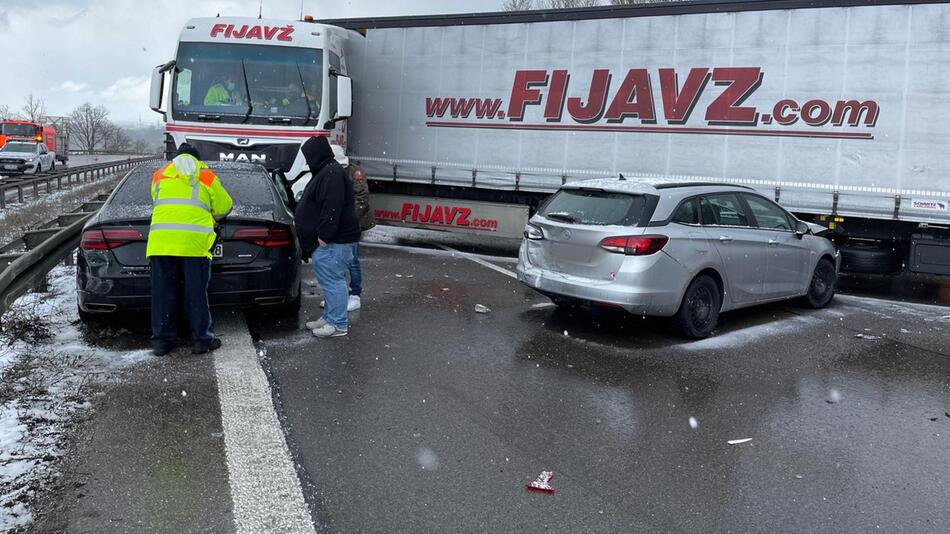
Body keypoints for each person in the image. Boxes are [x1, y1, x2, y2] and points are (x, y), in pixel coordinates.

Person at [147, 144, 233, 356]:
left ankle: (161, 342)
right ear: (197, 159)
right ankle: (201, 340)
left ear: (175, 159)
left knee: (162, 294)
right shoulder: (206, 176)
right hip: (194, 244)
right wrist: (212, 216)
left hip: (161, 242)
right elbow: (224, 207)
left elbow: (157, 201)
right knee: (196, 293)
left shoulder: (159, 175)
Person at [295, 137, 361, 338]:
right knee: (330, 281)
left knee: (333, 281)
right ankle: (330, 317)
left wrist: (324, 236)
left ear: (316, 155)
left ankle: (338, 324)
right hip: (333, 240)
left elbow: (332, 208)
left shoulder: (331, 174)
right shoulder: (328, 171)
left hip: (334, 241)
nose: (307, 162)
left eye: (309, 157)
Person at [320, 145, 375, 312]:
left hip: (351, 224)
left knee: (352, 260)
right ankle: (339, 295)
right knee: (336, 259)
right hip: (339, 223)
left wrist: (349, 220)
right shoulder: (329, 171)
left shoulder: (354, 172)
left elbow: (361, 198)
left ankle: (355, 294)